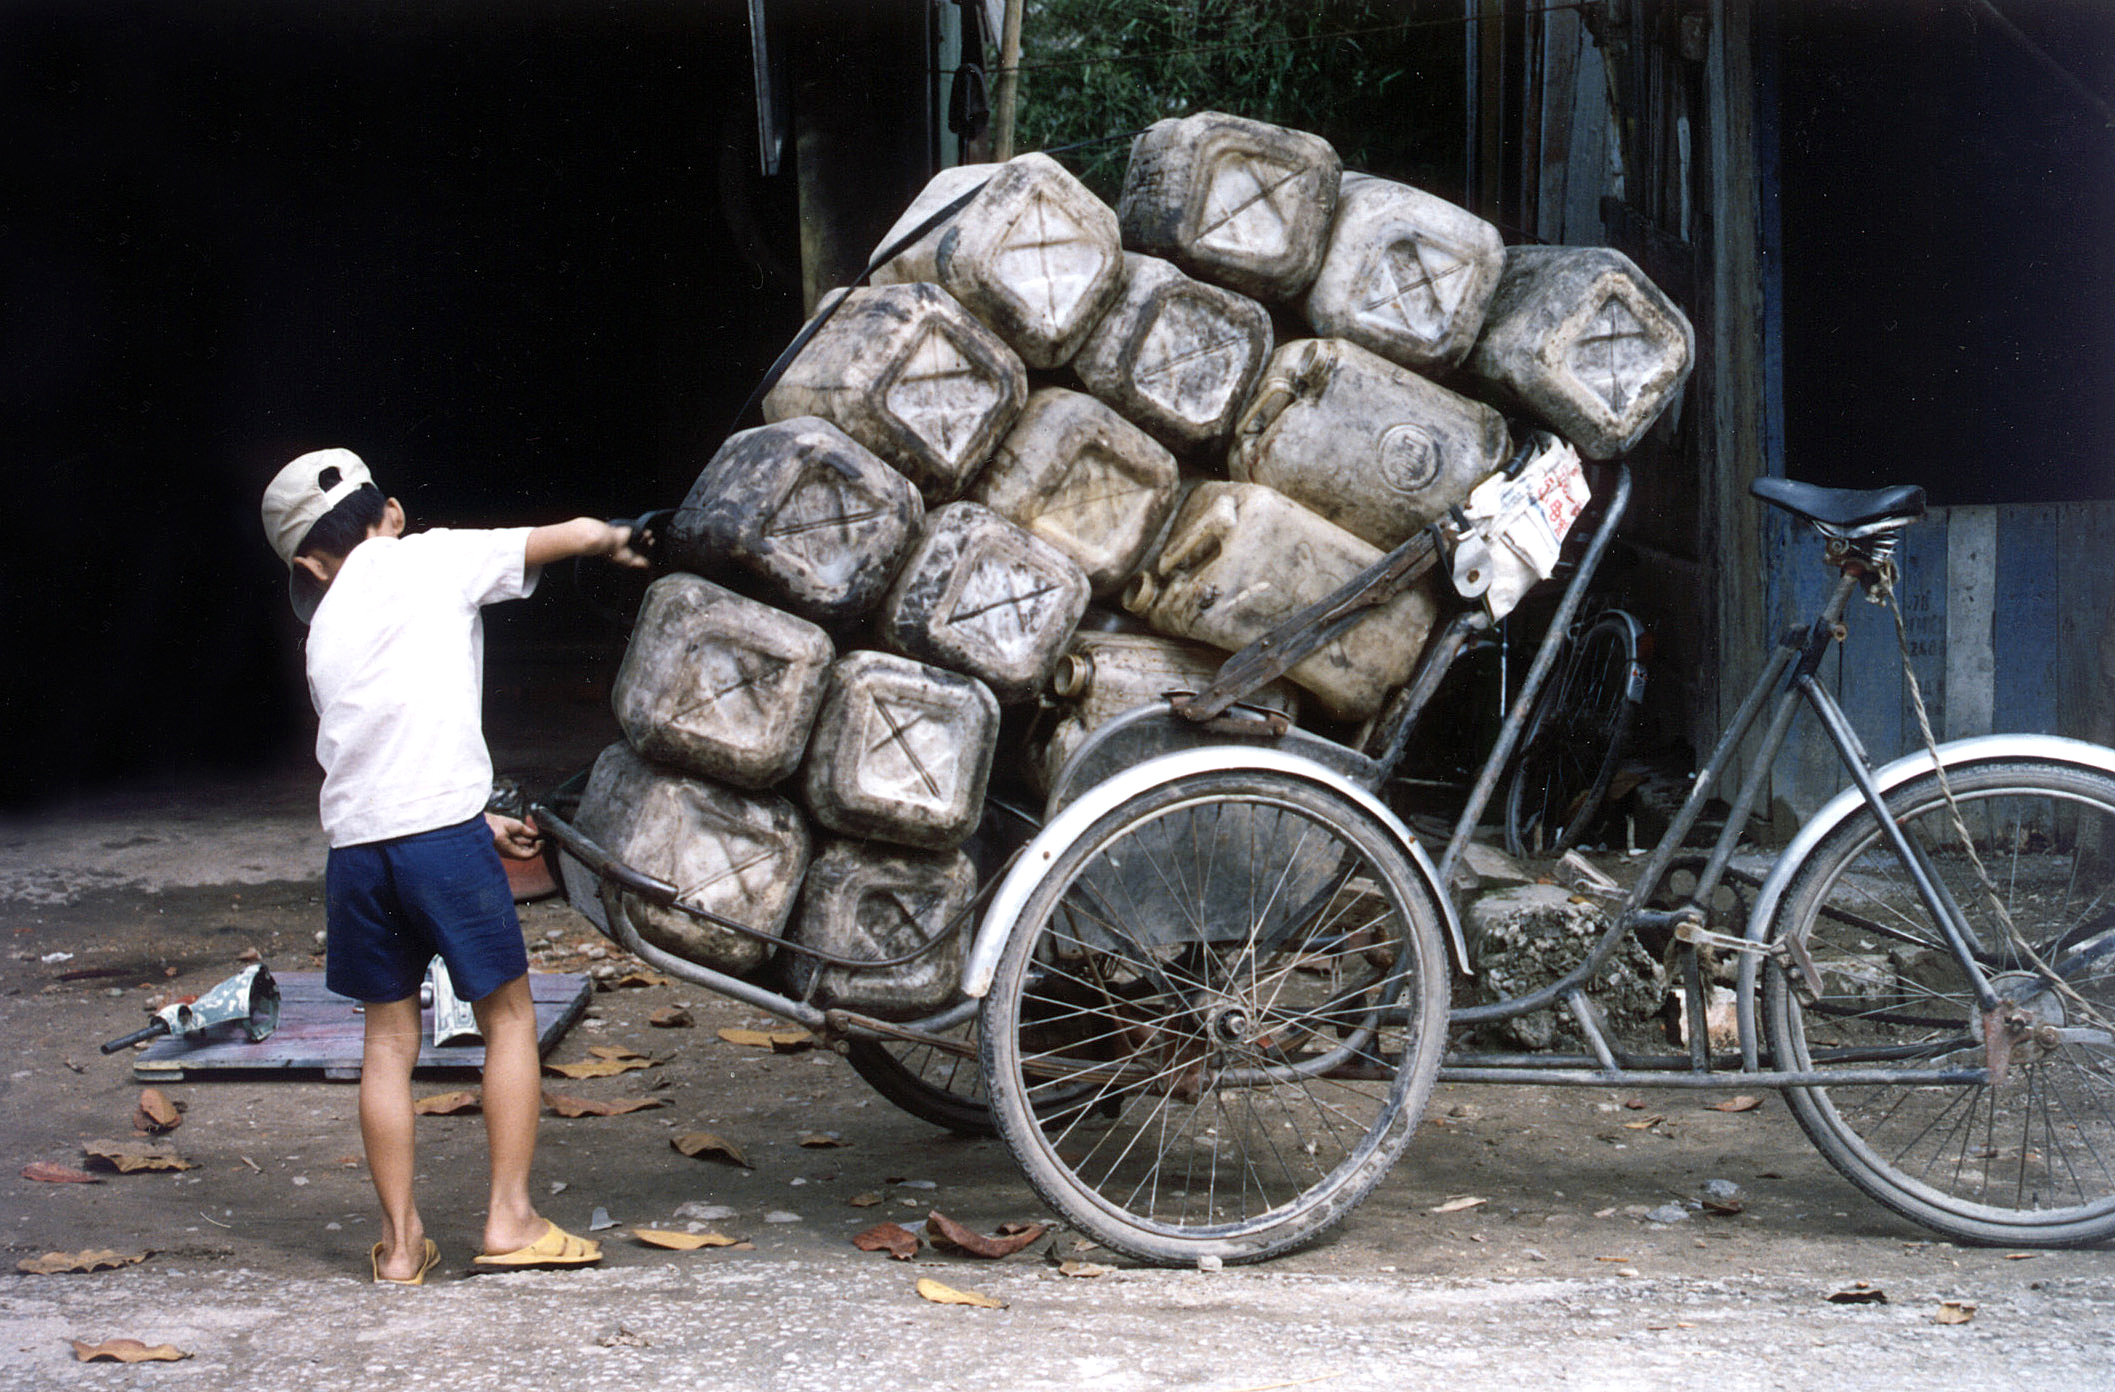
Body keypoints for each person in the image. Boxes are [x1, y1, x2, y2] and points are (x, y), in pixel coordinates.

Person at [260, 447, 647, 1283]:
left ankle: (401, 1246)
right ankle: (508, 1218)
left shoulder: (320, 632)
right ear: (389, 514)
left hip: (359, 851)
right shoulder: (427, 556)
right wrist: (615, 539)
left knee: (387, 1042)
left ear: (307, 565)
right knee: (507, 1019)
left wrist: (480, 818)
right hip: (441, 840)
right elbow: (561, 536)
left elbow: (383, 746)